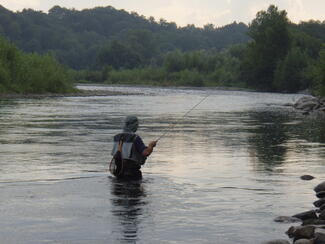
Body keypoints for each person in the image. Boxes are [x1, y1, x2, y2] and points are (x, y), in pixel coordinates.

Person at [110, 116, 157, 180]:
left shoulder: (116, 137)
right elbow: (146, 152)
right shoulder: (135, 138)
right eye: (137, 125)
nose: (137, 127)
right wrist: (151, 146)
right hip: (132, 174)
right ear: (133, 125)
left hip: (118, 172)